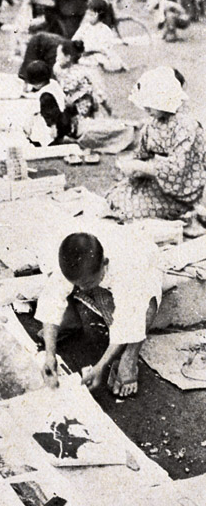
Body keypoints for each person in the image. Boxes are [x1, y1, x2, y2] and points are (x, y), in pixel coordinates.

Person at [36, 227, 163, 397]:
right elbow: (51, 300)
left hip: (144, 268)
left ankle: (130, 358)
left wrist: (100, 366)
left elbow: (128, 318)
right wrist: (50, 355)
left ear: (105, 263)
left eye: (86, 283)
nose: (80, 288)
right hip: (103, 258)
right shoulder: (73, 254)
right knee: (57, 288)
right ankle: (75, 314)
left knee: (145, 306)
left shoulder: (129, 269)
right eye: (77, 284)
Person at [106, 66, 206, 220]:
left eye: (150, 103)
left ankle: (188, 211)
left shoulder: (187, 126)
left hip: (180, 190)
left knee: (130, 211)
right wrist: (131, 165)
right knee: (114, 197)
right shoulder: (153, 123)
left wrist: (144, 167)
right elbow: (142, 154)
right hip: (155, 181)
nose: (146, 108)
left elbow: (179, 170)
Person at [53, 40, 136, 155]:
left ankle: (126, 128)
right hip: (68, 112)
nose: (56, 58)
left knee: (91, 131)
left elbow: (97, 93)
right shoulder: (58, 68)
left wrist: (108, 109)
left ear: (68, 57)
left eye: (58, 55)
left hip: (82, 113)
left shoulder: (81, 73)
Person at [72, 0, 126, 72]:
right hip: (85, 54)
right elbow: (75, 39)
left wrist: (93, 49)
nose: (88, 17)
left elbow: (106, 47)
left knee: (105, 61)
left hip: (99, 54)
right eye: (88, 14)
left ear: (100, 15)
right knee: (79, 60)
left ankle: (102, 66)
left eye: (92, 15)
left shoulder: (104, 29)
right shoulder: (84, 27)